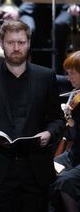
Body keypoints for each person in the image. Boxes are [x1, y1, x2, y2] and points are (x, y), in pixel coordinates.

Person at [0, 20, 65, 211]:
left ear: (29, 44)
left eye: (21, 42)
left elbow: (58, 119)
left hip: (36, 171)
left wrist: (49, 134)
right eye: (11, 42)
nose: (16, 48)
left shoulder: (46, 76)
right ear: (2, 44)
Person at [49, 50, 80, 212]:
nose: (68, 77)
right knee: (46, 172)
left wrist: (71, 120)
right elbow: (71, 137)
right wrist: (68, 119)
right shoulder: (76, 93)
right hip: (75, 154)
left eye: (72, 74)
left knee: (65, 182)